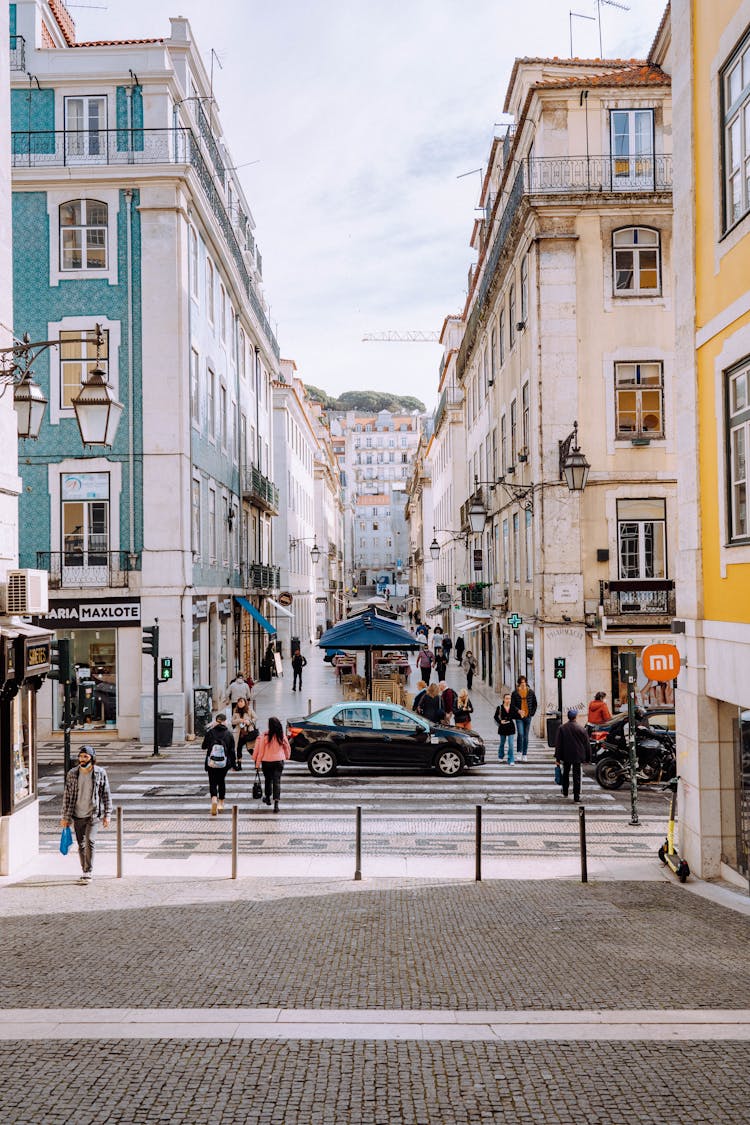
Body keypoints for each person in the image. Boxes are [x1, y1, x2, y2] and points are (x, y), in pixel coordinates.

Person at [60, 745, 112, 884]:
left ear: (92, 758)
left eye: (85, 756)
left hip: (93, 814)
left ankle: (88, 871)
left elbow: (106, 794)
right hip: (77, 814)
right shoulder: (72, 773)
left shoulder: (100, 773)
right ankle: (84, 870)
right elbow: (67, 796)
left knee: (90, 841)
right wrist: (65, 817)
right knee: (81, 844)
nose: (82, 759)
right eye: (80, 756)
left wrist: (107, 814)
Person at [253, 715, 291, 813]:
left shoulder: (265, 737)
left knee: (268, 780)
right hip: (279, 761)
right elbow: (287, 748)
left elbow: (260, 751)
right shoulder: (281, 736)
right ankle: (276, 804)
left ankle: (268, 797)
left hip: (266, 762)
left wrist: (257, 764)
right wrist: (286, 756)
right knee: (277, 781)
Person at [202, 712, 236, 815]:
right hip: (224, 763)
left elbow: (203, 746)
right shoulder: (229, 734)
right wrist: (233, 764)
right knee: (221, 781)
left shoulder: (210, 732)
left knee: (212, 781)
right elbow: (232, 750)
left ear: (216, 721)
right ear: (225, 722)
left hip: (211, 762)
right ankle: (221, 803)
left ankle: (214, 800)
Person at [555, 708, 590, 802]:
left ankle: (565, 791)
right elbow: (587, 744)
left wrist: (557, 758)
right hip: (578, 756)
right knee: (577, 776)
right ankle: (576, 797)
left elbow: (558, 744)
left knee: (565, 774)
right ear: (576, 717)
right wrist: (588, 758)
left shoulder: (562, 728)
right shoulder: (581, 729)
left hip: (566, 755)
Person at [510, 675, 538, 762]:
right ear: (519, 684)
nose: (523, 684)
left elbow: (535, 704)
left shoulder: (531, 692)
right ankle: (519, 752)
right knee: (521, 734)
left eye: (524, 682)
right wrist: (518, 711)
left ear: (526, 683)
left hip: (528, 717)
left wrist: (531, 713)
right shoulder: (515, 693)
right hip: (519, 717)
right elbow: (512, 705)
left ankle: (524, 754)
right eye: (521, 682)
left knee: (526, 736)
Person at [231, 697, 258, 770]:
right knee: (238, 749)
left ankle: (257, 763)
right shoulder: (235, 710)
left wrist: (249, 721)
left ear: (245, 702)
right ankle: (239, 765)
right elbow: (232, 721)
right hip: (239, 734)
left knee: (250, 749)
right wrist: (239, 720)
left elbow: (255, 718)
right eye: (239, 702)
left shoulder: (249, 710)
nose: (240, 703)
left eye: (241, 702)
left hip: (248, 733)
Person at [494, 693, 516, 763]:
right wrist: (500, 721)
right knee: (502, 743)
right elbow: (495, 717)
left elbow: (516, 715)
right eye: (507, 698)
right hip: (502, 728)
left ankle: (511, 759)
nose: (508, 700)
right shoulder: (499, 707)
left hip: (511, 727)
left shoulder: (513, 707)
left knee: (511, 744)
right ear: (503, 699)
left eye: (509, 699)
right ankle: (500, 755)